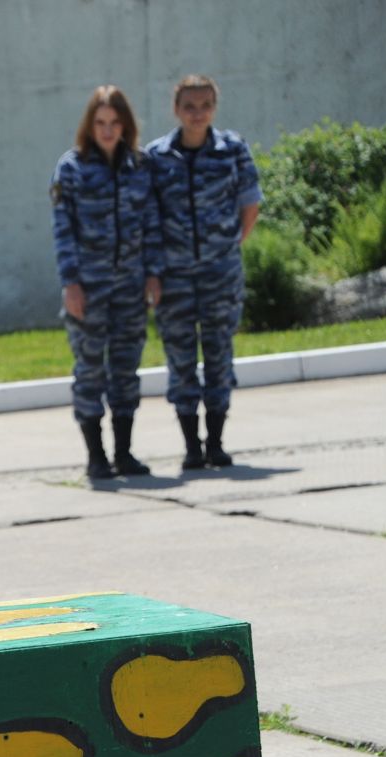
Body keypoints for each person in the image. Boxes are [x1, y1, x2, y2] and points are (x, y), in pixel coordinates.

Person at [145, 75, 260, 469]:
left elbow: (250, 203)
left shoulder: (232, 149)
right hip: (174, 276)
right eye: (190, 106)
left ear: (215, 107)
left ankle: (216, 442)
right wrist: (153, 272)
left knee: (218, 356)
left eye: (206, 105)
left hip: (220, 273)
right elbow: (148, 217)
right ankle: (191, 446)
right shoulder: (156, 157)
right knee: (180, 359)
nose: (198, 114)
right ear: (176, 110)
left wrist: (228, 246)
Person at [50, 85, 162, 480]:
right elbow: (63, 231)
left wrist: (152, 274)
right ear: (89, 126)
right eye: (100, 123)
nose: (108, 130)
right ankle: (96, 457)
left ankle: (124, 453)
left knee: (126, 371)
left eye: (115, 123)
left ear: (126, 125)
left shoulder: (140, 167)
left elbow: (151, 225)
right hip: (89, 287)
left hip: (130, 287)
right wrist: (71, 283)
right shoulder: (72, 167)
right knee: (90, 370)